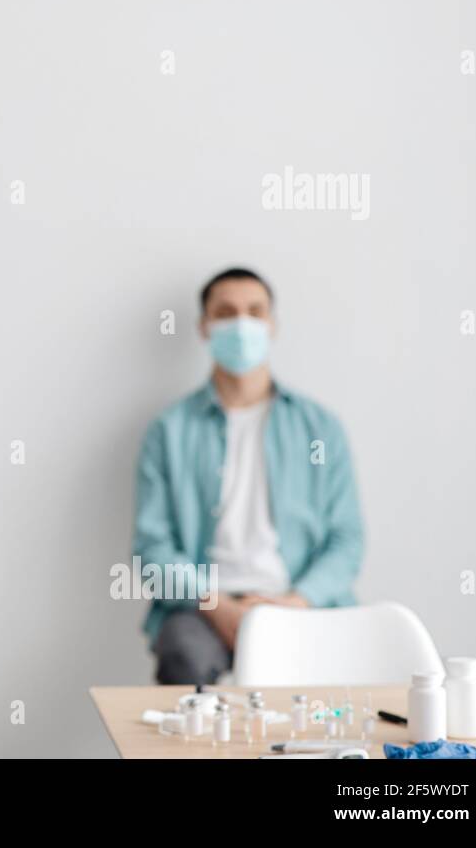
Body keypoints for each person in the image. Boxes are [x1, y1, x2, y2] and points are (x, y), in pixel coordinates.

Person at [133, 267, 364, 685]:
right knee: (183, 656)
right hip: (203, 608)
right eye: (226, 312)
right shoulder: (169, 431)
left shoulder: (320, 428)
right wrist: (216, 604)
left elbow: (347, 540)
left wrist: (295, 602)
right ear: (204, 327)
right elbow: (153, 548)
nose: (242, 324)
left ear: (272, 324)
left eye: (254, 311)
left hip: (299, 604)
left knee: (345, 682)